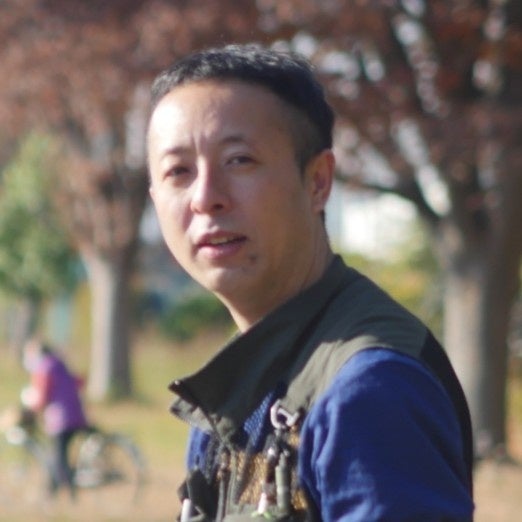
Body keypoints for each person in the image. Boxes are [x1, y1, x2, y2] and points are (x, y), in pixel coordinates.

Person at [147, 43, 474, 521]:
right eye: (178, 171)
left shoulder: (369, 389)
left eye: (239, 160)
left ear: (318, 181)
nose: (205, 197)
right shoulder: (236, 390)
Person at [22, 337, 89, 499]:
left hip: (61, 420)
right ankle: (50, 493)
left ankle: (71, 495)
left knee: (60, 459)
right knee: (56, 455)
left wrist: (30, 410)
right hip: (76, 414)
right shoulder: (59, 364)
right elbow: (79, 382)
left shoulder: (45, 367)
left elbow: (43, 395)